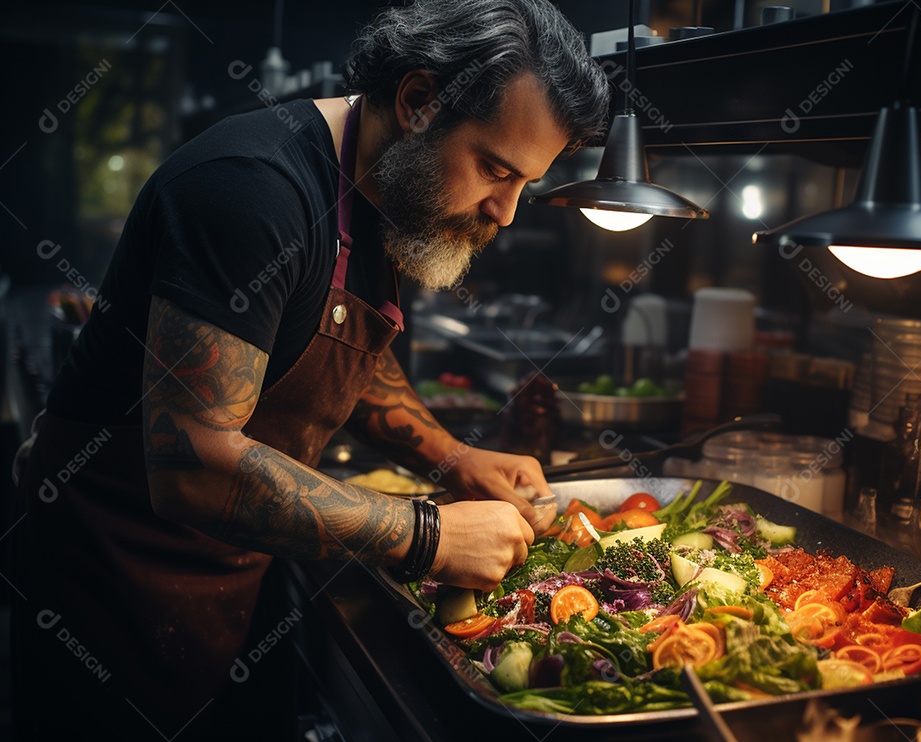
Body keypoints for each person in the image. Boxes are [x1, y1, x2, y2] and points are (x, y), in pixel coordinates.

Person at [11, 0, 611, 738]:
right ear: (419, 103)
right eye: (495, 169)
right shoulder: (253, 190)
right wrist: (428, 534)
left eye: (526, 184)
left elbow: (343, 354)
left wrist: (452, 458)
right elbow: (190, 464)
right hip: (113, 579)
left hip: (238, 568)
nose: (507, 212)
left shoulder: (385, 189)